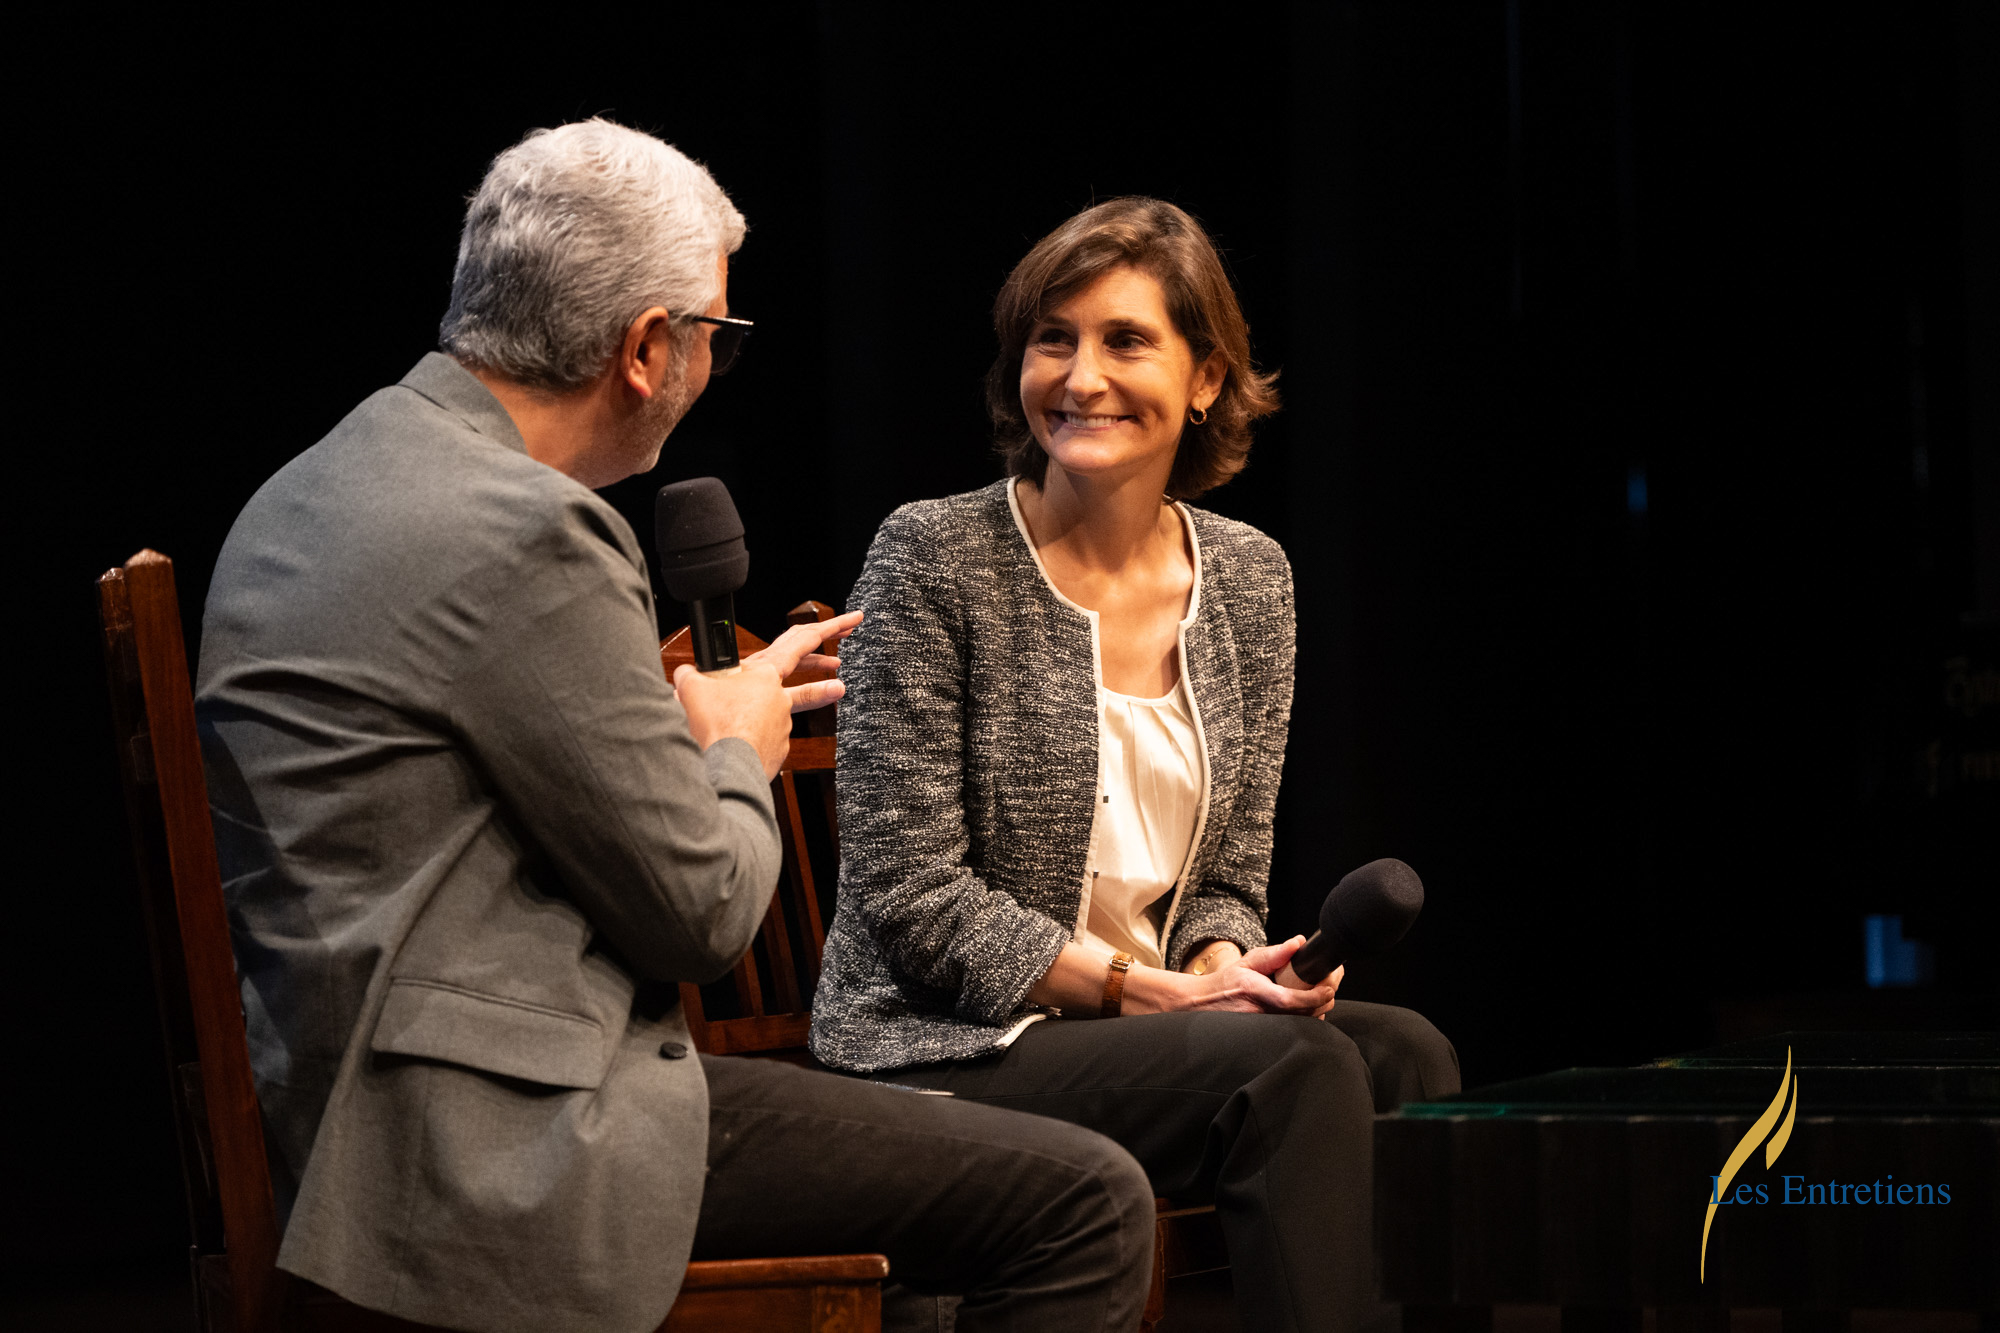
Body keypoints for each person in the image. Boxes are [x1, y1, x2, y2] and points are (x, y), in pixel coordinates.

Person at [196, 120, 1156, 1333]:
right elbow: (703, 916)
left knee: (925, 1270)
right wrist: (735, 744)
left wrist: (671, 722)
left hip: (341, 1104)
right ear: (648, 347)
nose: (714, 362)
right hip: (490, 1138)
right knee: (1083, 1199)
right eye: (717, 333)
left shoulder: (322, 483)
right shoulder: (530, 529)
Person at [810, 197, 1462, 1333]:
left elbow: (1225, 875)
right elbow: (908, 893)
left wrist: (1230, 967)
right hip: (945, 1042)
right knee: (1294, 1074)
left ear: (1205, 378)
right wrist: (1147, 990)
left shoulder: (1249, 579)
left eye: (1124, 341)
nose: (1081, 377)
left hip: (1145, 1030)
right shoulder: (932, 555)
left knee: (1407, 1053)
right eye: (1052, 340)